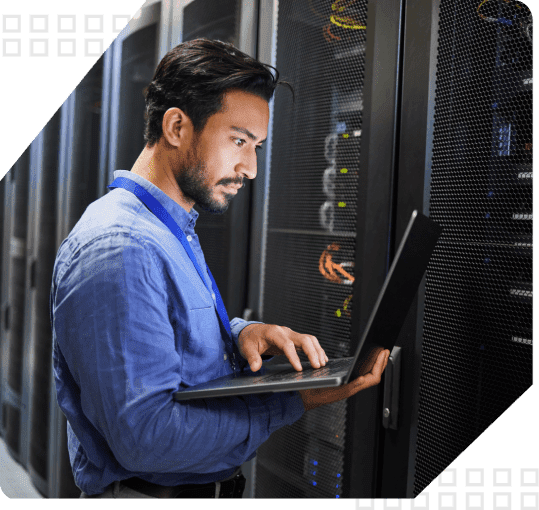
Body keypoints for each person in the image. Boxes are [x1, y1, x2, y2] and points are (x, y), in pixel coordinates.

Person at [50, 38, 390, 500]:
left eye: (257, 147)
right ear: (176, 126)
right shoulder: (120, 249)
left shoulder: (169, 228)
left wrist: (241, 333)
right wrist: (291, 400)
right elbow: (145, 439)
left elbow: (164, 333)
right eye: (238, 140)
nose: (250, 167)